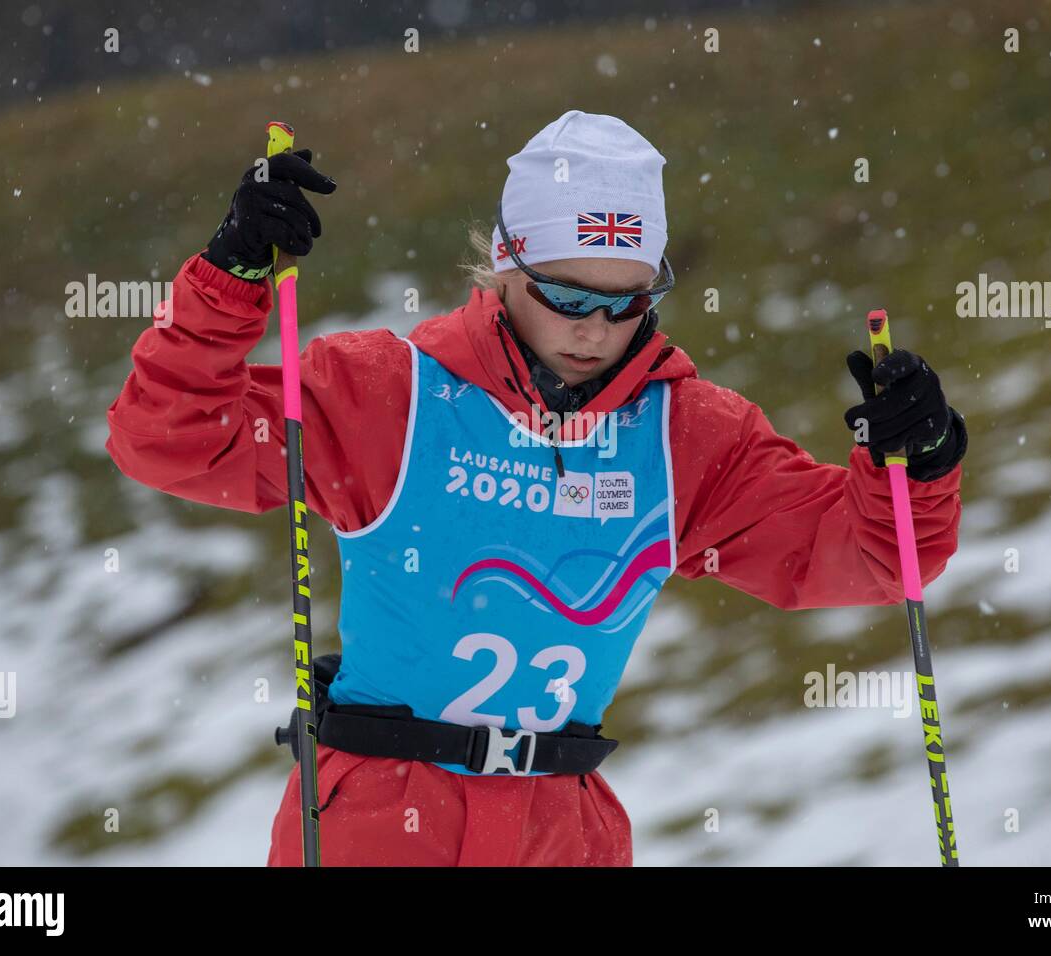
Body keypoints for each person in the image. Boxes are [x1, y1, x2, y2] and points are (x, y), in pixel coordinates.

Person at [106, 109, 967, 866]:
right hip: (373, 825)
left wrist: (920, 460)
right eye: (565, 297)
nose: (595, 332)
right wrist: (231, 277)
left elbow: (876, 556)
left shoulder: (686, 437)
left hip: (562, 833)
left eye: (627, 305)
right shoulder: (390, 395)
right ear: (506, 266)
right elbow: (166, 441)